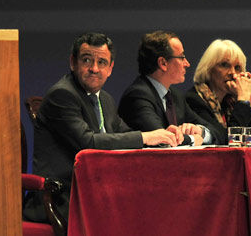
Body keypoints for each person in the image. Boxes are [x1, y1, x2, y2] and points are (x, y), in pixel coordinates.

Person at [23, 32, 181, 224]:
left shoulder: (105, 99)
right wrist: (146, 137)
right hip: (62, 198)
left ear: (111, 68)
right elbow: (88, 142)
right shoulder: (62, 95)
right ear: (73, 63)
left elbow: (123, 133)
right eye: (87, 60)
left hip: (96, 191)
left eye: (102, 62)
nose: (94, 69)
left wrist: (162, 138)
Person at [119, 30, 218, 146]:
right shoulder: (138, 95)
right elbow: (162, 140)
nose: (187, 63)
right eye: (182, 57)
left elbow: (218, 133)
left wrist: (200, 131)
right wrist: (193, 139)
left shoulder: (176, 96)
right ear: (163, 63)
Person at [185, 39, 251, 145]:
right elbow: (228, 142)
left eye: (237, 68)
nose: (232, 73)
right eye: (225, 65)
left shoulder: (229, 102)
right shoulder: (194, 100)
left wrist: (249, 94)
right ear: (208, 69)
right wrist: (242, 101)